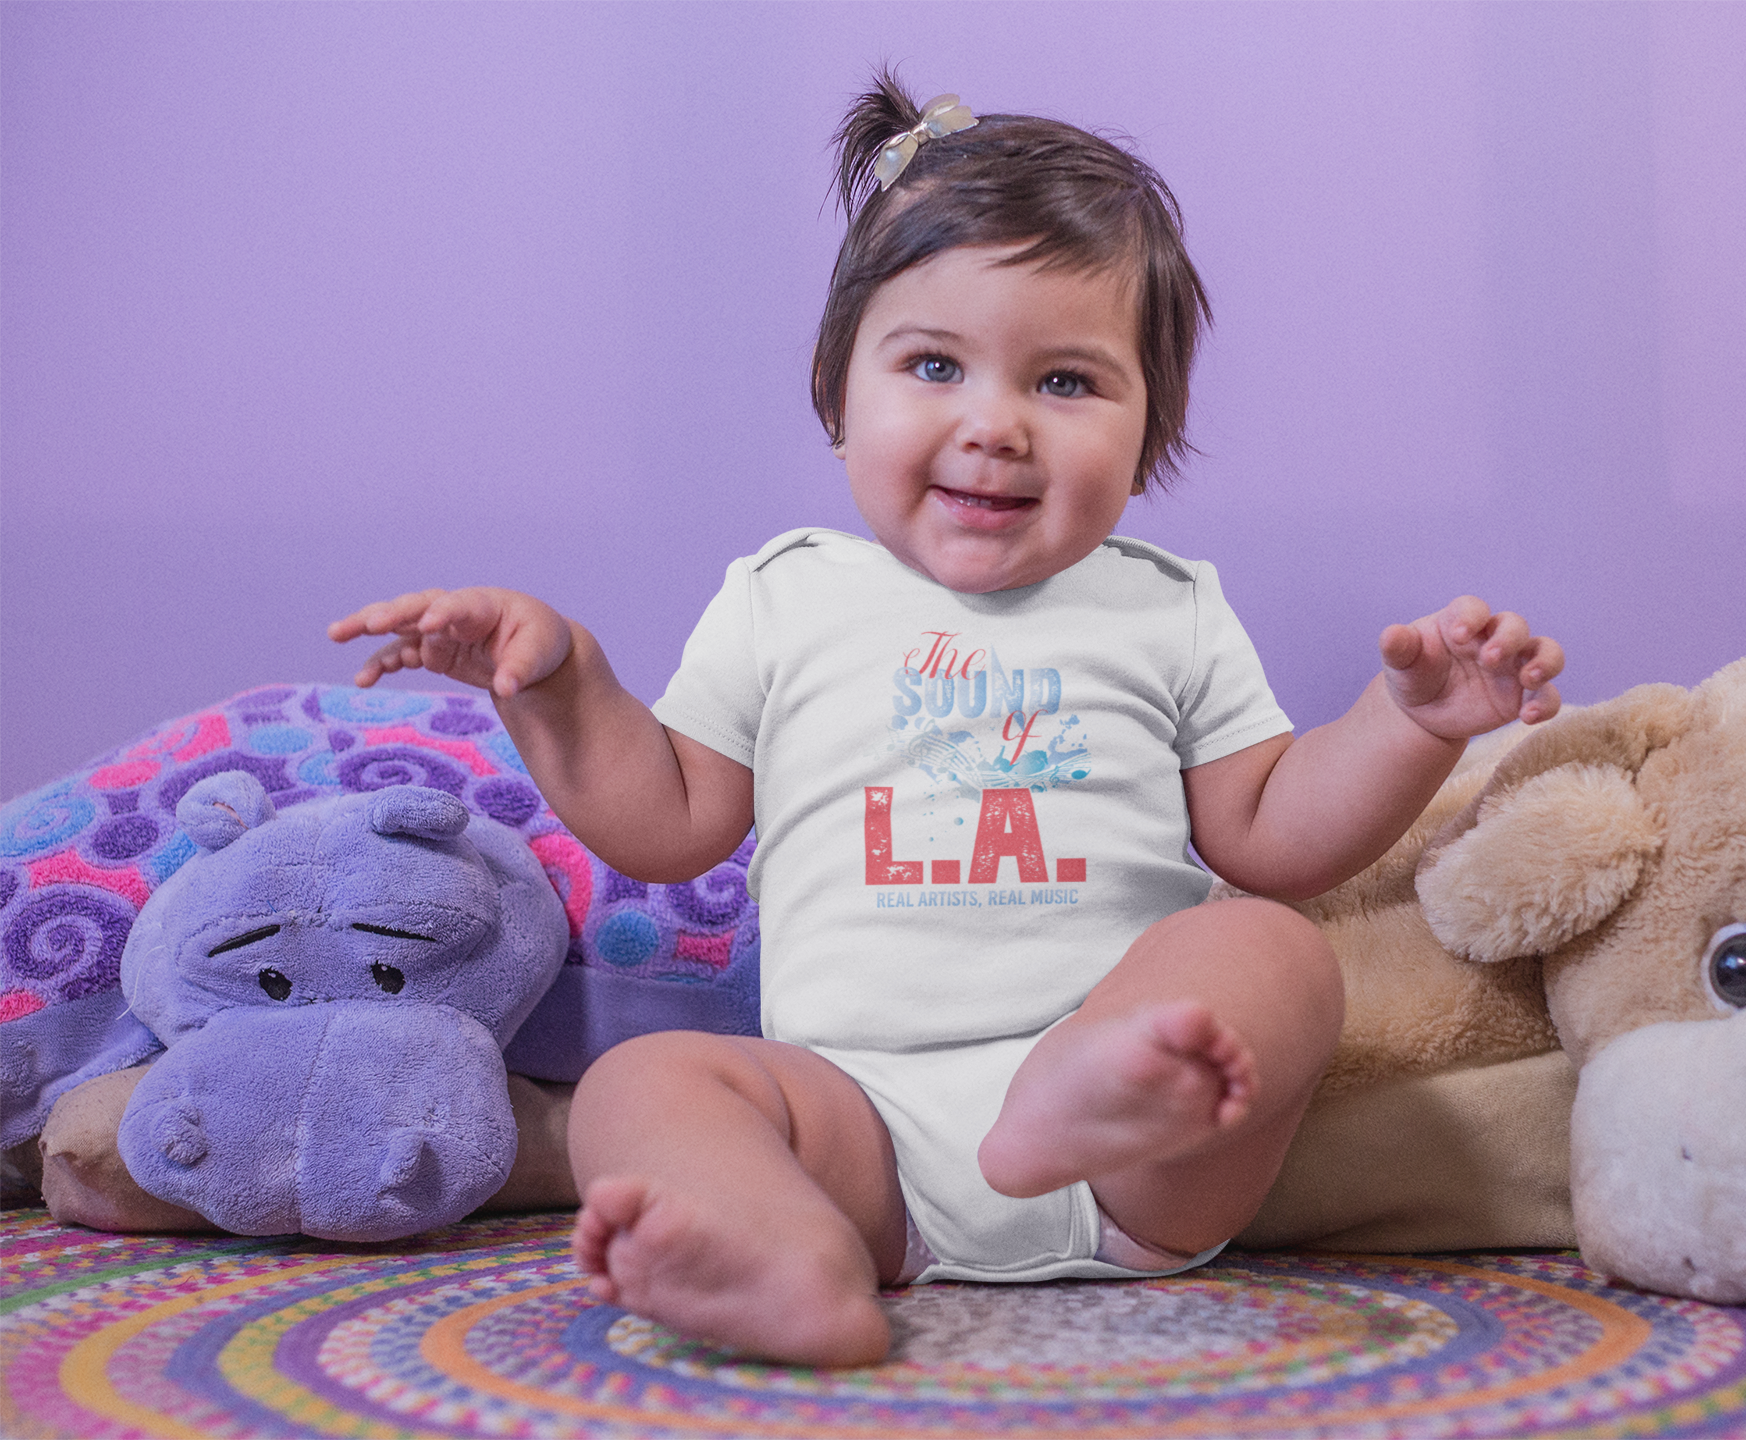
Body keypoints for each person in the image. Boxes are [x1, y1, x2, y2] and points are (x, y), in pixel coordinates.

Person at [329, 73, 1564, 1368]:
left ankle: (1082, 1087)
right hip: (855, 1123)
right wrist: (560, 683)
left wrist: (1410, 722)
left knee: (1274, 948)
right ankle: (781, 1252)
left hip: (1139, 1155)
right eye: (933, 366)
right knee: (641, 1088)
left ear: (1151, 426)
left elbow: (1273, 836)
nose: (994, 425)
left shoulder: (1164, 608)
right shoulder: (785, 598)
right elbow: (667, 821)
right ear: (836, 392)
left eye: (1067, 381)